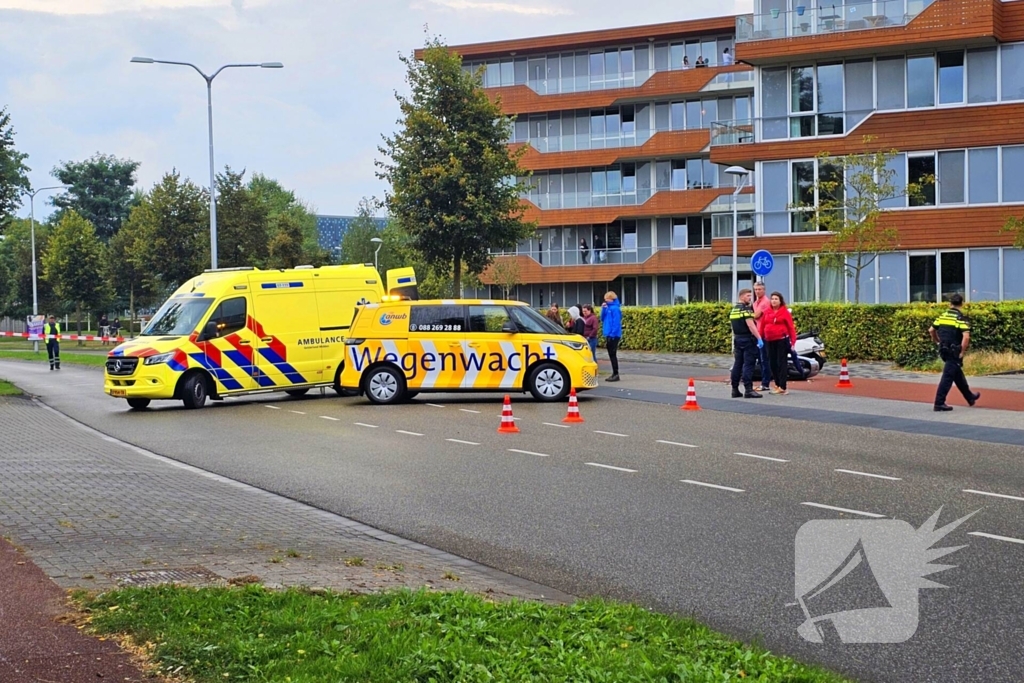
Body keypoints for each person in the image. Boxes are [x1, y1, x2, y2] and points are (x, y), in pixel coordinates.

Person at [929, 293, 981, 412]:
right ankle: (939, 403)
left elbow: (931, 330)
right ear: (961, 304)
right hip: (954, 351)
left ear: (950, 304)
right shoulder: (960, 318)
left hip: (943, 349)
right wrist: (962, 351)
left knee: (956, 373)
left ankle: (970, 397)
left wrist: (937, 341)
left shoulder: (943, 316)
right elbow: (966, 337)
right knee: (948, 376)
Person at [759, 292, 797, 395]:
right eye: (772, 299)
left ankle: (783, 386)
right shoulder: (766, 312)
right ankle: (777, 384)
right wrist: (759, 338)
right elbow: (762, 325)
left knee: (781, 363)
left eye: (776, 299)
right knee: (772, 363)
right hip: (769, 340)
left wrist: (793, 341)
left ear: (780, 301)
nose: (774, 301)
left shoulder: (785, 313)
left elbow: (791, 327)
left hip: (781, 340)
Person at [729, 289, 763, 398]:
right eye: (748, 296)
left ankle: (735, 389)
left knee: (737, 364)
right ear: (742, 296)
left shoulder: (734, 310)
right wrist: (759, 338)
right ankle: (748, 389)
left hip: (737, 339)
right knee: (749, 364)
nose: (750, 298)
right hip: (748, 339)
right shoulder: (746, 309)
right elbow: (751, 325)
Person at [751, 282, 773, 391]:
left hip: (764, 334)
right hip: (758, 333)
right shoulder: (755, 303)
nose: (757, 291)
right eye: (756, 289)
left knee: (764, 359)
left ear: (764, 290)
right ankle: (763, 381)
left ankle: (765, 383)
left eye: (759, 289)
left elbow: (756, 315)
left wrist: (745, 315)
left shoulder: (765, 302)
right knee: (760, 359)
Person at [600, 291, 622, 382]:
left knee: (612, 354)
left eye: (607, 299)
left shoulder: (615, 308)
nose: (605, 300)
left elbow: (616, 322)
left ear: (611, 299)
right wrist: (603, 309)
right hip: (609, 333)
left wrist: (612, 334)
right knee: (611, 354)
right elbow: (602, 318)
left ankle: (615, 373)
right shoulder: (608, 308)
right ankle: (614, 373)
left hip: (613, 334)